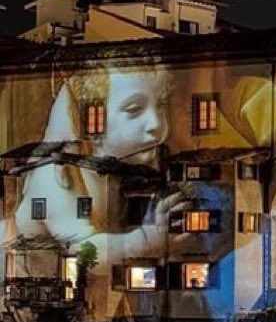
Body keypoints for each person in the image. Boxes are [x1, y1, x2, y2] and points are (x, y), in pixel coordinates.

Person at [14, 63, 184, 270]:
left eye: (161, 104)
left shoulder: (123, 169)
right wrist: (146, 241)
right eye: (134, 109)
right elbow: (85, 254)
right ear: (91, 121)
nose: (156, 123)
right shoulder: (54, 176)